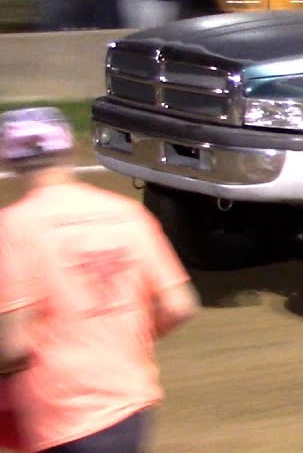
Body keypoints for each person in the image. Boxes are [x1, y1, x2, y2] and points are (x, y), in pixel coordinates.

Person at [0, 107, 199, 453]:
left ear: (9, 160)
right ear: (70, 151)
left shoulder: (14, 226)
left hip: (59, 417)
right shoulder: (128, 213)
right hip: (129, 403)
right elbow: (179, 306)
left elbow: (14, 346)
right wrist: (122, 341)